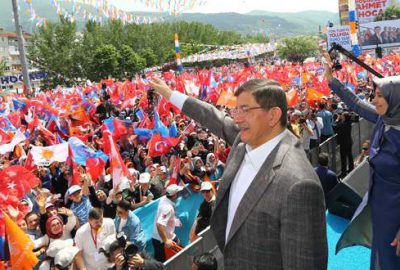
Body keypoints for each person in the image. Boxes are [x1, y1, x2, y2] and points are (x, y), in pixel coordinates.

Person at [150, 77, 327, 269]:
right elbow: (212, 116)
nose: (236, 118)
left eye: (245, 110)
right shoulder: (247, 140)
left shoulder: (299, 184)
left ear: (273, 116)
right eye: (236, 109)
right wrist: (170, 94)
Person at [324, 52, 400, 270]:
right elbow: (355, 102)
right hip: (379, 208)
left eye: (379, 96)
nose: (374, 99)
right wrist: (331, 79)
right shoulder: (381, 119)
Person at [151, 184, 183, 263]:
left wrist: (175, 222)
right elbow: (160, 224)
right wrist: (166, 240)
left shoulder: (163, 199)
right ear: (175, 195)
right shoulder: (168, 208)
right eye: (178, 192)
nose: (180, 193)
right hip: (162, 241)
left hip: (160, 238)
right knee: (163, 263)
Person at [333, 111, 354, 178]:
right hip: (349, 142)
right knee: (349, 156)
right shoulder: (349, 123)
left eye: (342, 115)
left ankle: (343, 173)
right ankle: (351, 168)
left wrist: (337, 119)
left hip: (343, 143)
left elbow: (335, 127)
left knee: (343, 158)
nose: (341, 116)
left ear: (344, 117)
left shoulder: (342, 124)